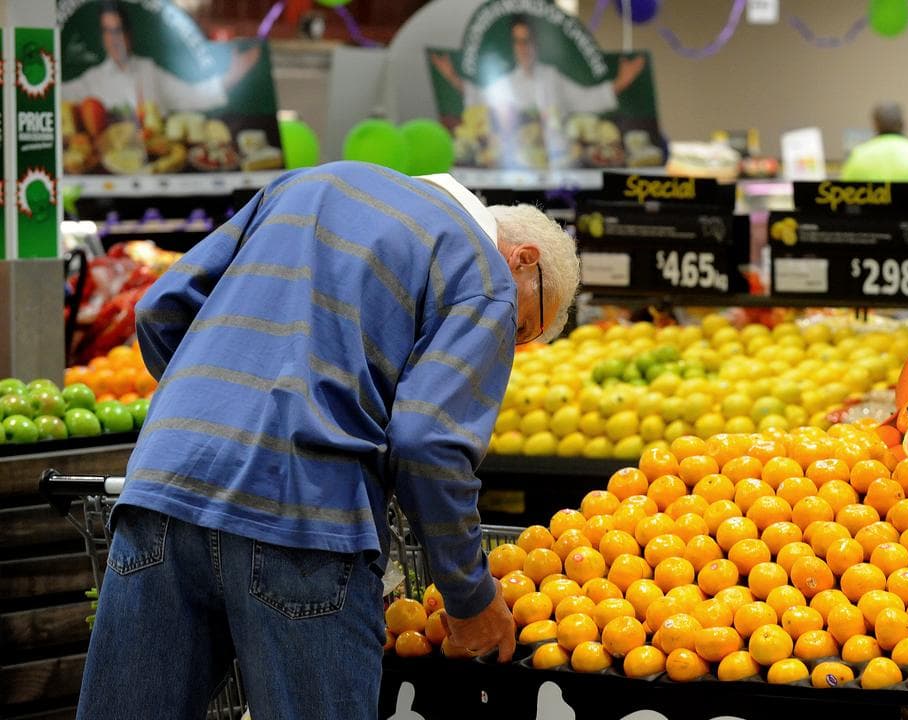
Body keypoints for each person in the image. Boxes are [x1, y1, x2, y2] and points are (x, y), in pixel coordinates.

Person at [76, 161, 580, 720]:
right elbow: (427, 443)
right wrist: (469, 597)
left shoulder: (306, 183)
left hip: (163, 485)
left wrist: (215, 416)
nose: (509, 340)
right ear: (523, 261)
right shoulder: (486, 275)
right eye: (523, 329)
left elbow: (159, 308)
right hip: (306, 518)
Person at [430, 15, 646, 152]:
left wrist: (621, 82)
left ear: (536, 43)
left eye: (527, 41)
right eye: (518, 41)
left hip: (560, 165)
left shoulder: (551, 77)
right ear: (513, 46)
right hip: (516, 166)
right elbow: (478, 97)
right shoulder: (506, 83)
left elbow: (588, 99)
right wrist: (451, 77)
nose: (523, 48)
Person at [62, 2, 262, 115]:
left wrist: (233, 75)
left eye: (119, 30)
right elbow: (56, 95)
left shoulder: (149, 70)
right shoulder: (91, 80)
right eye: (109, 32)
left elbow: (194, 96)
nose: (115, 40)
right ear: (102, 37)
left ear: (129, 33)